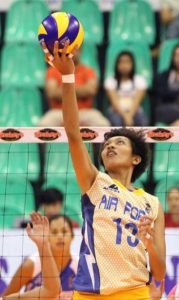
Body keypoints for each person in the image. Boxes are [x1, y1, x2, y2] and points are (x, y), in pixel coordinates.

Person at [41, 40, 166, 300]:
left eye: (119, 143)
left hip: (134, 292)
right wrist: (67, 76)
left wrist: (150, 244)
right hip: (89, 293)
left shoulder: (152, 204)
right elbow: (74, 134)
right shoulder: (94, 182)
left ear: (135, 159)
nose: (109, 147)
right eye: (106, 144)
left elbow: (161, 271)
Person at [3, 214, 77, 300]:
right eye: (54, 232)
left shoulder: (80, 266)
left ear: (72, 236)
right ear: (47, 236)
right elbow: (6, 297)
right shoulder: (31, 265)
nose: (60, 236)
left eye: (64, 231)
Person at [39, 48, 110, 127]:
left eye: (74, 50)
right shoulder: (52, 71)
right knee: (44, 124)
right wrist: (80, 90)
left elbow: (91, 90)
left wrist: (65, 90)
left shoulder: (88, 71)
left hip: (84, 112)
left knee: (103, 124)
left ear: (80, 51)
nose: (71, 53)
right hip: (59, 112)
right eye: (69, 50)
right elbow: (52, 93)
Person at [104, 51, 148, 126]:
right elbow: (115, 103)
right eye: (121, 62)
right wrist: (126, 117)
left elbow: (136, 102)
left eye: (127, 62)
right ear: (117, 65)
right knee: (116, 121)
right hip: (116, 112)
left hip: (135, 111)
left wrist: (129, 116)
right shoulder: (110, 81)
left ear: (132, 64)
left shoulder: (140, 80)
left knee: (141, 120)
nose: (124, 65)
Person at [154, 45, 179, 126]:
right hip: (168, 109)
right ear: (172, 57)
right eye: (177, 55)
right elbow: (161, 93)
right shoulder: (163, 76)